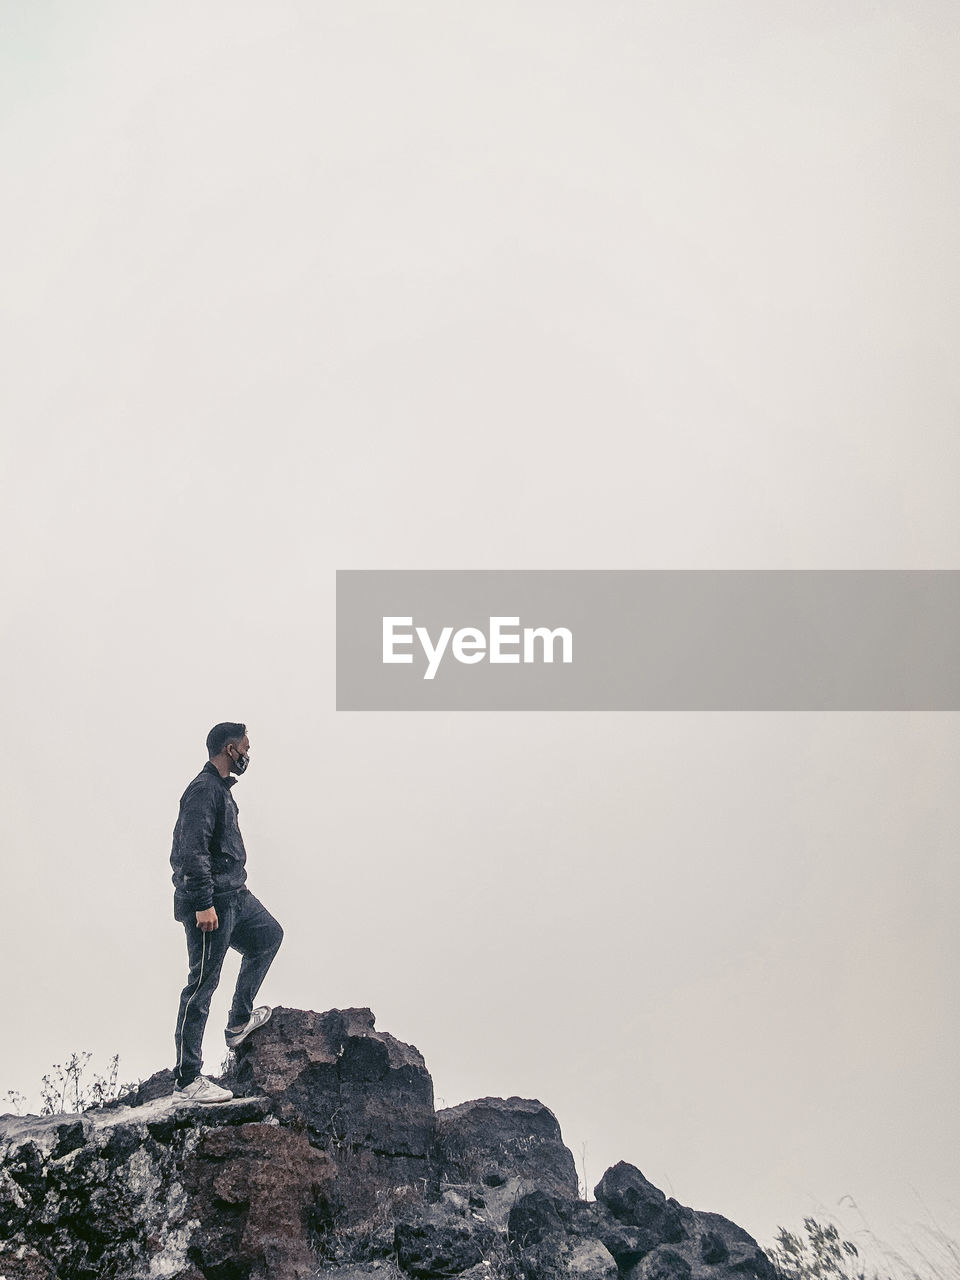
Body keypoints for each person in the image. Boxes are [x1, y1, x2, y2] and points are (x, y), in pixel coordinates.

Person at [170, 722, 284, 1102]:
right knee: (202, 984)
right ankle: (187, 1080)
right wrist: (202, 903)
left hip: (236, 896)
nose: (248, 756)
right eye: (245, 748)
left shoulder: (221, 791)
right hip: (211, 903)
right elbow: (191, 850)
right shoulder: (203, 790)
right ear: (229, 748)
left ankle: (238, 1022)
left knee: (268, 936)